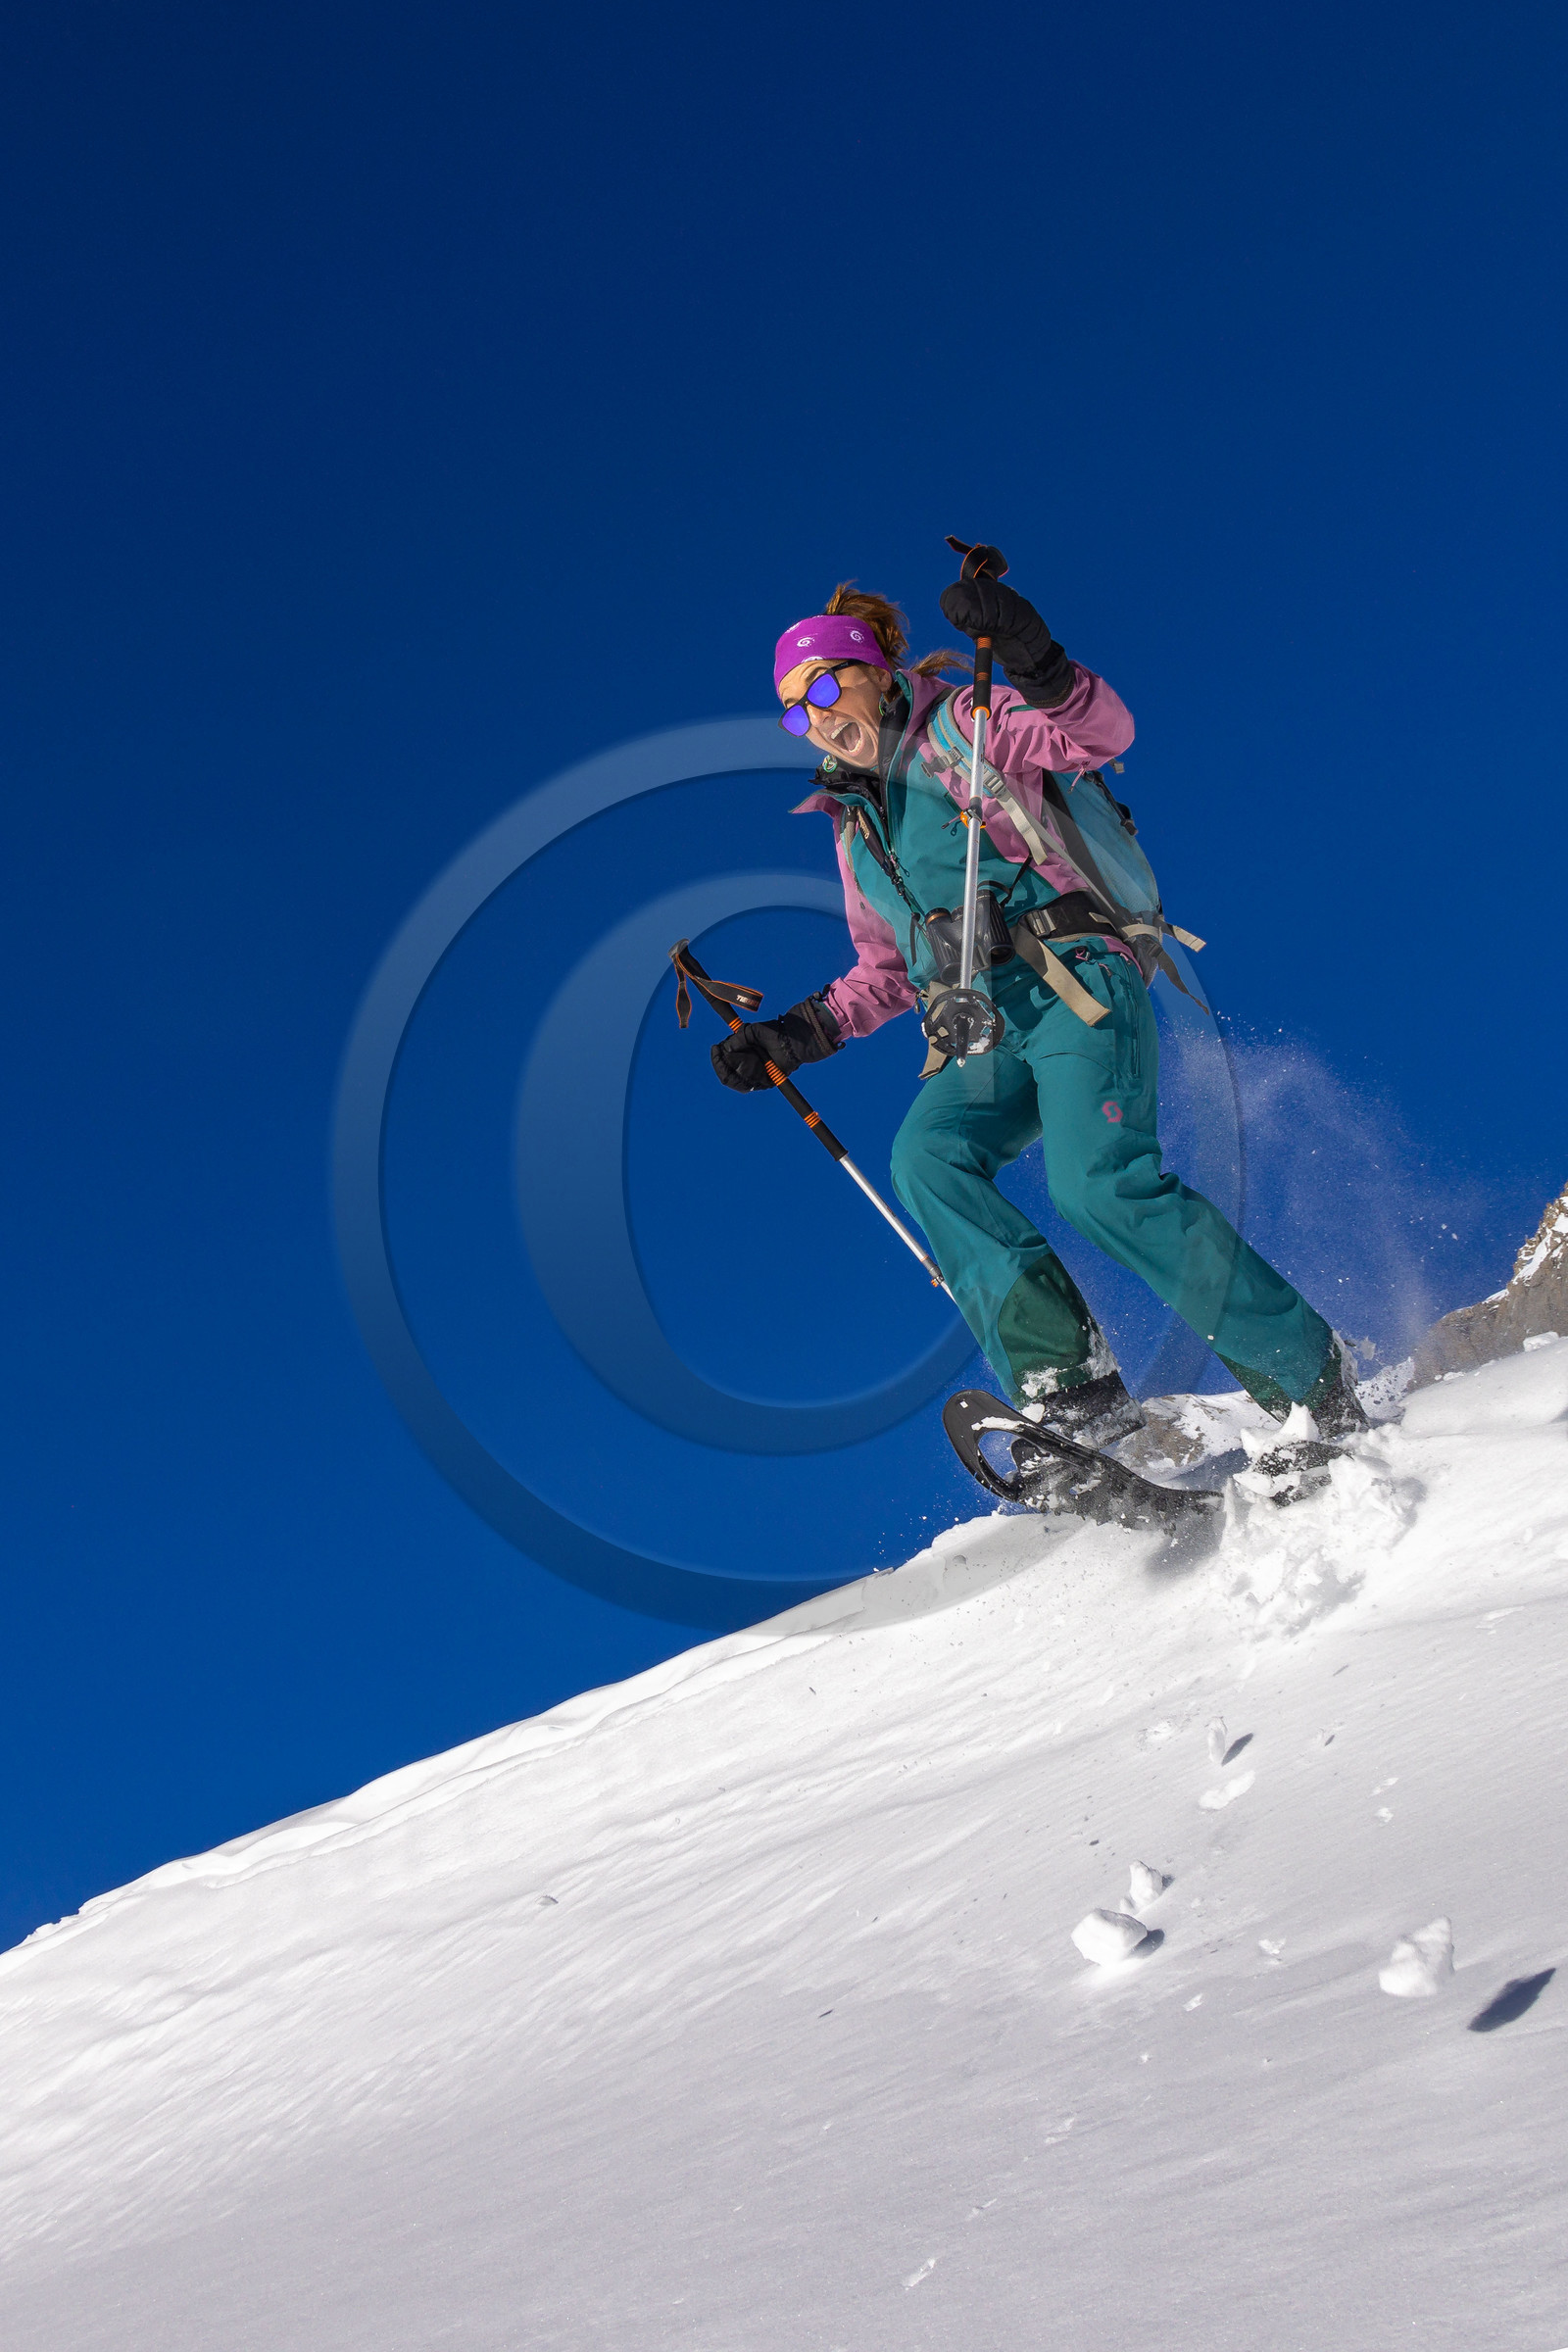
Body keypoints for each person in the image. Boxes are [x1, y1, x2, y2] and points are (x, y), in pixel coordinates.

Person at [710, 557, 1367, 1462]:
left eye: (825, 684)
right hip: (981, 1019)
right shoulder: (853, 825)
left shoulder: (965, 725)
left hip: (1075, 980)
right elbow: (887, 966)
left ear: (875, 667)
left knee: (1098, 1187)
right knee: (927, 1157)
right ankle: (1073, 1390)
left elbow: (1097, 733)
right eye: (795, 708)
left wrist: (1033, 653)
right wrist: (800, 1030)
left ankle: (1310, 1385)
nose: (815, 715)